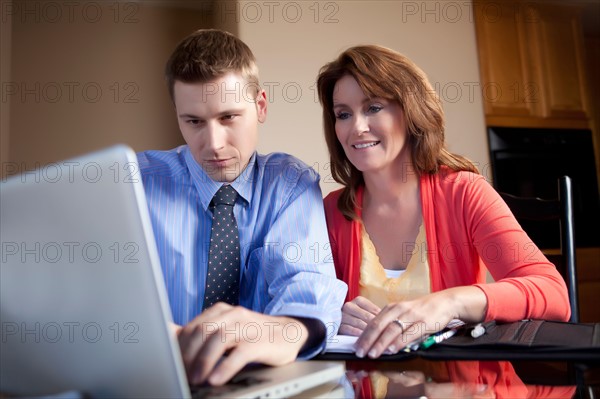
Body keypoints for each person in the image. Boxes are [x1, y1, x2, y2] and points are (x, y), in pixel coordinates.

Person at [316, 45, 570, 359]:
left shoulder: (464, 192)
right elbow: (297, 306)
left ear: (410, 111)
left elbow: (554, 293)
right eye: (343, 114)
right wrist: (330, 314)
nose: (356, 127)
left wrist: (451, 302)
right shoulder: (330, 211)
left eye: (373, 108)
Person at [137, 29, 346, 385]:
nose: (213, 144)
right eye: (194, 122)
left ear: (260, 106)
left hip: (254, 384)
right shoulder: (136, 181)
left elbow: (307, 286)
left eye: (228, 117)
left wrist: (284, 332)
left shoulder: (289, 184)